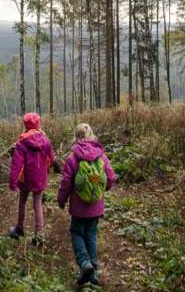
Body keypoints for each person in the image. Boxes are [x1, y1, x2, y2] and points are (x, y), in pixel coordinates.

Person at [57, 123, 116, 287]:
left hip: (78, 208)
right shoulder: (101, 157)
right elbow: (111, 178)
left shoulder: (72, 159)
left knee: (76, 232)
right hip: (95, 207)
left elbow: (66, 184)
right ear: (92, 137)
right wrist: (103, 189)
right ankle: (94, 270)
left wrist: (61, 201)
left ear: (76, 138)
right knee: (90, 235)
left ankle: (84, 263)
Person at [9, 112, 54, 246]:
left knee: (22, 202)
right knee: (37, 203)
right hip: (39, 177)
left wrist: (13, 182)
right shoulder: (45, 140)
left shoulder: (22, 141)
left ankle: (20, 229)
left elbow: (16, 164)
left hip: (25, 177)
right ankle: (39, 234)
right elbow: (51, 159)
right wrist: (44, 169)